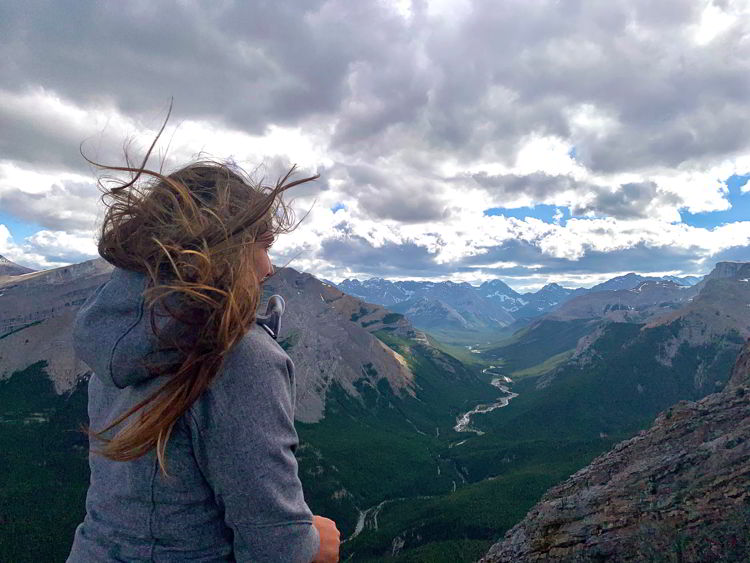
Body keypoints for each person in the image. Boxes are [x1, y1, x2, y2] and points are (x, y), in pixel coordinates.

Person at [66, 127, 340, 562]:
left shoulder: (115, 335)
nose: (268, 267)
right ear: (221, 251)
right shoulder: (238, 355)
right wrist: (314, 543)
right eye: (261, 246)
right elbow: (275, 544)